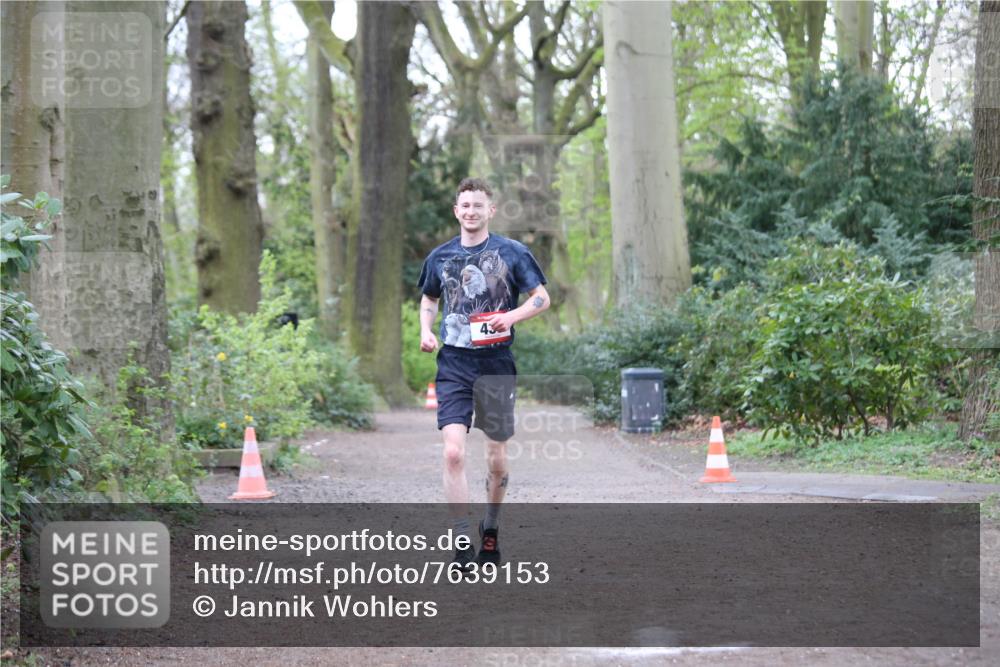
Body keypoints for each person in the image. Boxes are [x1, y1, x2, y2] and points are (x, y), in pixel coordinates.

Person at [417, 177, 550, 570]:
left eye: (478, 205)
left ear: (491, 210)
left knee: (495, 457)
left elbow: (542, 297)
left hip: (496, 365)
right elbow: (429, 297)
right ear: (456, 211)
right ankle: (461, 541)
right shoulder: (440, 258)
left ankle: (489, 527)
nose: (471, 211)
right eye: (465, 205)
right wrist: (426, 330)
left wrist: (511, 316)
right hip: (455, 363)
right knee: (454, 452)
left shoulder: (512, 252)